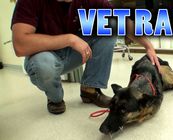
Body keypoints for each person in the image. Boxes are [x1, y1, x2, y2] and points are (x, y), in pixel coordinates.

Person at [11, 0, 161, 115]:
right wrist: (69, 39)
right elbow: (20, 44)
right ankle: (55, 98)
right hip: (45, 57)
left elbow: (121, 22)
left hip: (74, 54)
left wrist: (148, 46)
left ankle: (90, 90)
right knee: (42, 65)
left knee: (108, 28)